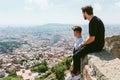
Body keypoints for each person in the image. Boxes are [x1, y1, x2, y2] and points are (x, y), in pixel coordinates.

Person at [71, 5, 105, 77]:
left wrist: (83, 44)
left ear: (85, 12)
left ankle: (76, 72)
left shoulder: (93, 22)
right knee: (77, 51)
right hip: (98, 44)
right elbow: (91, 36)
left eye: (83, 13)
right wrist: (83, 43)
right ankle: (77, 70)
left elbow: (92, 38)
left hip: (96, 46)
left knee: (75, 56)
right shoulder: (95, 19)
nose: (83, 15)